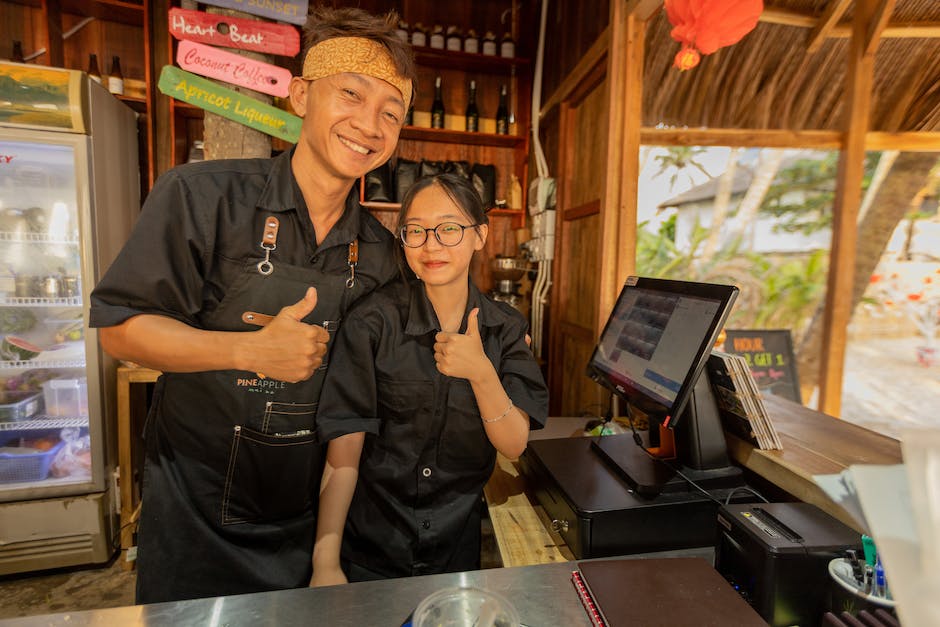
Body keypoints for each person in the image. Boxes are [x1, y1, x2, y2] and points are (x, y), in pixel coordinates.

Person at [88, 7, 417, 604]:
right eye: (351, 94)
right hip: (194, 502)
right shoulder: (201, 196)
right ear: (299, 96)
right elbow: (119, 328)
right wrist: (248, 350)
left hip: (305, 510)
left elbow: (361, 394)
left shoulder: (379, 253)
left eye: (391, 113)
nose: (370, 125)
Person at [311, 174, 549, 584]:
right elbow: (345, 447)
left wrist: (480, 372)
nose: (431, 244)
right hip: (370, 549)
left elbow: (514, 442)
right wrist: (325, 562)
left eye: (449, 229)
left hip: (455, 553)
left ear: (480, 236)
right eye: (416, 231)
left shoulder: (506, 328)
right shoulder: (372, 322)